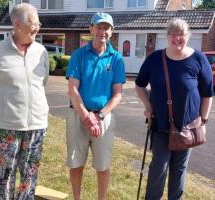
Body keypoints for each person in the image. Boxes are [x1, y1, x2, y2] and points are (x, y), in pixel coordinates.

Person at [135, 18, 213, 200]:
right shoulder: (155, 58)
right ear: (167, 36)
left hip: (188, 127)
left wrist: (203, 120)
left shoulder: (199, 59)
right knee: (158, 168)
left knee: (179, 170)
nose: (177, 38)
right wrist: (148, 106)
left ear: (188, 36)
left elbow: (207, 93)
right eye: (173, 34)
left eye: (182, 34)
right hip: (161, 125)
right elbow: (139, 85)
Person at [0, 3, 49, 200]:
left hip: (36, 124)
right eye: (34, 23)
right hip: (5, 125)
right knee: (5, 174)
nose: (37, 27)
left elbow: (42, 82)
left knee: (30, 172)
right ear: (18, 25)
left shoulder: (41, 51)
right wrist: (6, 102)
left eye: (38, 23)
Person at [66, 12, 126, 200]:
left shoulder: (116, 59)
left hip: (103, 117)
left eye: (106, 27)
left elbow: (117, 94)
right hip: (78, 115)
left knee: (103, 166)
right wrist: (86, 116)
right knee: (76, 164)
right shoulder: (79, 55)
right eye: (99, 27)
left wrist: (99, 116)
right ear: (91, 29)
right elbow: (73, 90)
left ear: (112, 31)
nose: (103, 31)